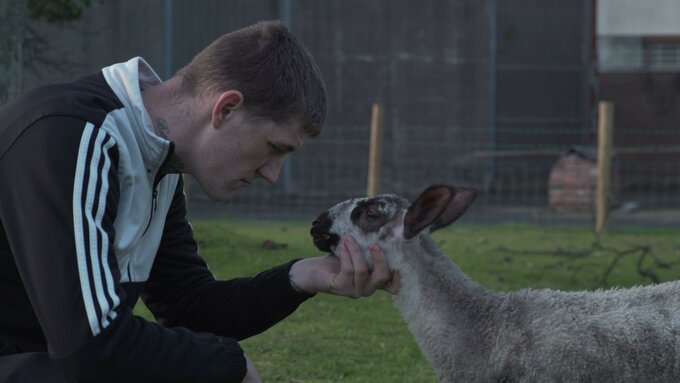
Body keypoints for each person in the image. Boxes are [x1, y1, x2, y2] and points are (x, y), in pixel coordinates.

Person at [0, 20, 397, 382]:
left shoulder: (159, 163)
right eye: (275, 148)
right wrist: (229, 365)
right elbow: (89, 348)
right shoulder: (70, 137)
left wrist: (305, 275)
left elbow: (189, 307)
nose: (271, 174)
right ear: (226, 108)